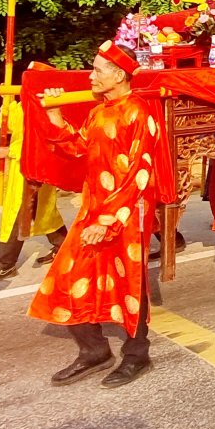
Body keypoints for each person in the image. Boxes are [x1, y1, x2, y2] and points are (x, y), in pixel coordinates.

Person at [31, 41, 161, 388]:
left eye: (98, 70)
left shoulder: (139, 113)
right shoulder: (98, 111)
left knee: (129, 282)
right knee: (69, 276)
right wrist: (55, 117)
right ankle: (93, 350)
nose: (91, 76)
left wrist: (107, 222)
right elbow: (79, 150)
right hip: (94, 208)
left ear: (119, 75)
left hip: (127, 211)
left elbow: (140, 176)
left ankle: (137, 355)